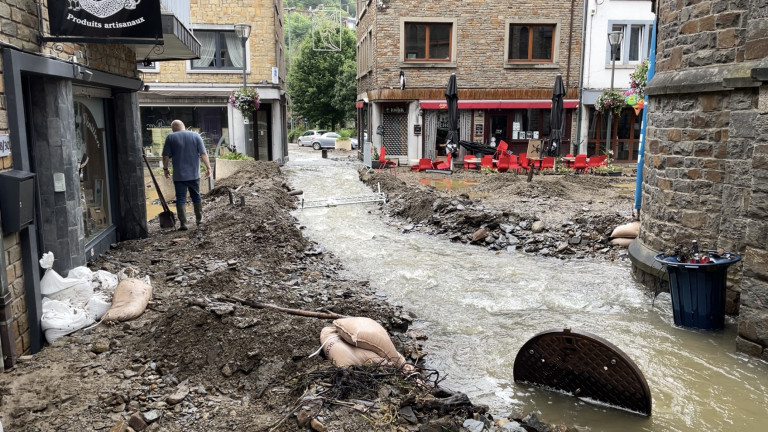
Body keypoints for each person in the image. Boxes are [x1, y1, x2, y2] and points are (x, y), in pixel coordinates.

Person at [162, 120, 212, 230]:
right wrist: (208, 167)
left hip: (179, 176)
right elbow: (203, 153)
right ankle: (199, 220)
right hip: (194, 174)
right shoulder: (196, 136)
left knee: (180, 198)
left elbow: (165, 156)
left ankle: (183, 224)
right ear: (183, 126)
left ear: (173, 128)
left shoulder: (171, 137)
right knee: (196, 196)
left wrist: (165, 169)